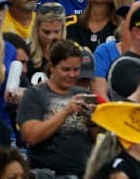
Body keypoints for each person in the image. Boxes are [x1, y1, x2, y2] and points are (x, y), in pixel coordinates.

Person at [17, 38, 96, 176]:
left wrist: (93, 122)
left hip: (83, 172)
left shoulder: (85, 95)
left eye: (76, 70)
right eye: (66, 69)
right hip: (46, 173)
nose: (72, 75)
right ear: (52, 67)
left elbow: (98, 141)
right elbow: (30, 136)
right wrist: (65, 111)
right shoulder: (35, 94)